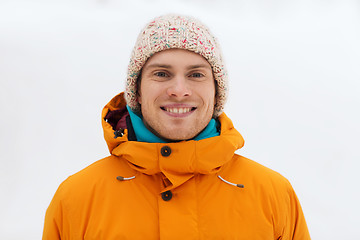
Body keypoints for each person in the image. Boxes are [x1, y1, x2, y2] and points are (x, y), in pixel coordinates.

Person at [43, 14, 311, 239]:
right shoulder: (77, 199)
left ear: (217, 92)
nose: (179, 91)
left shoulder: (272, 195)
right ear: (136, 90)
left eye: (196, 74)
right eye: (161, 74)